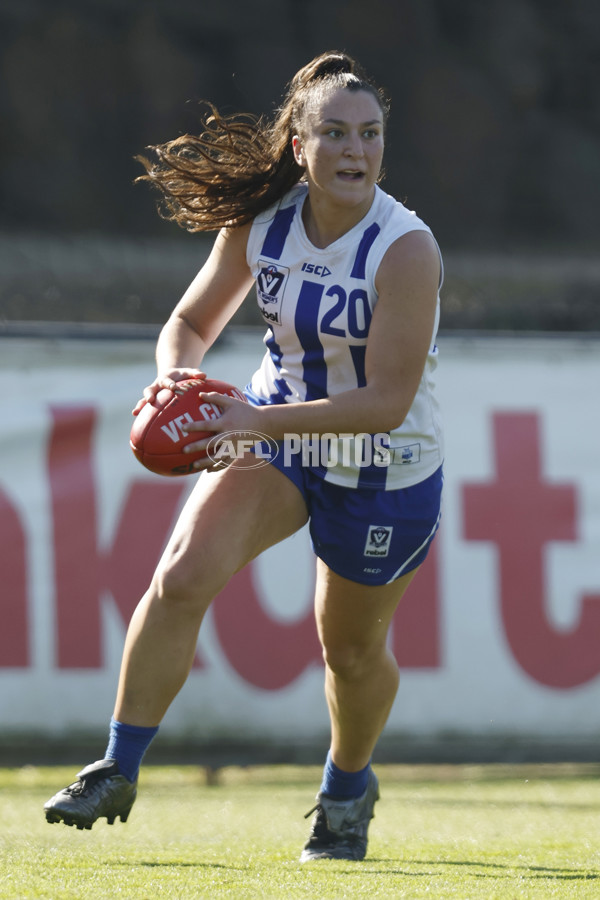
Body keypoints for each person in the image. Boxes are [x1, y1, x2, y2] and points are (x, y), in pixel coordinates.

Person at [44, 50, 444, 862]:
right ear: (299, 145)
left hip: (382, 460)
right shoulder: (262, 222)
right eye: (333, 133)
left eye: (369, 134)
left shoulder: (406, 248)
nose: (354, 151)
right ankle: (117, 766)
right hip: (275, 434)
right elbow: (188, 325)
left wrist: (254, 424)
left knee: (352, 652)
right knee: (182, 573)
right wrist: (174, 382)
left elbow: (386, 403)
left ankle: (347, 786)